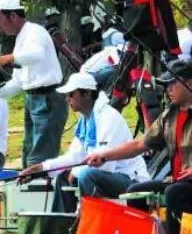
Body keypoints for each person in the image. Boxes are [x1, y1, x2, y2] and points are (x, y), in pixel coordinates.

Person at [87, 60, 192, 234]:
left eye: (172, 83)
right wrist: (104, 155)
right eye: (165, 85)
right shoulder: (169, 115)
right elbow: (139, 145)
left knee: (174, 193)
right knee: (136, 192)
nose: (168, 89)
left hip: (184, 185)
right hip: (179, 182)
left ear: (190, 83)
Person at [20, 72, 149, 210]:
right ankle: (61, 226)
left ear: (86, 94)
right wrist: (42, 168)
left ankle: (88, 222)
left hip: (132, 181)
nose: (67, 99)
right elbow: (73, 157)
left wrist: (75, 172)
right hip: (109, 176)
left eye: (71, 95)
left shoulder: (108, 117)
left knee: (86, 175)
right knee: (62, 177)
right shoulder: (85, 120)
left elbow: (105, 165)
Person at [0, 0, 67, 167]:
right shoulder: (21, 39)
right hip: (32, 99)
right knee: (29, 154)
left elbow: (36, 55)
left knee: (40, 157)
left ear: (13, 16)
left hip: (47, 99)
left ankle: (41, 191)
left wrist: (8, 59)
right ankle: (31, 188)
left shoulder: (35, 32)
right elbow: (17, 83)